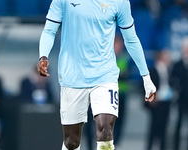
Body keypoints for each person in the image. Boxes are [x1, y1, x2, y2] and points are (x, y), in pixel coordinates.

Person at [37, 0, 157, 149]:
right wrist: (43, 56)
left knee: (105, 130)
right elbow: (49, 30)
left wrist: (146, 77)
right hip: (72, 76)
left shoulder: (120, 2)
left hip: (105, 75)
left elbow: (131, 39)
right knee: (71, 142)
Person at [145, 50, 172, 150]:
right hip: (157, 102)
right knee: (153, 127)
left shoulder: (168, 70)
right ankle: (150, 146)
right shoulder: (152, 70)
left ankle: (162, 147)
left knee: (164, 127)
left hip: (166, 101)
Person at [171, 36, 188, 150]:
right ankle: (176, 147)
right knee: (179, 123)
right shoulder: (177, 64)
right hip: (182, 98)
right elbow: (173, 79)